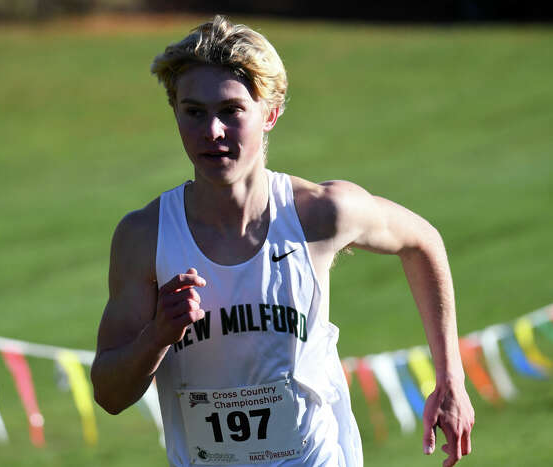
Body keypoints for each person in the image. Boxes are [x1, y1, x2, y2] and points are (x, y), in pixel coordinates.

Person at [91, 15, 474, 467]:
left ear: (270, 114)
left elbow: (421, 241)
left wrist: (451, 377)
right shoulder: (145, 236)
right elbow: (110, 394)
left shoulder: (317, 213)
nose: (211, 131)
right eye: (194, 111)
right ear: (175, 112)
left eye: (231, 111)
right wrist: (157, 337)